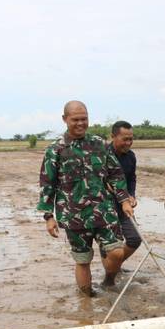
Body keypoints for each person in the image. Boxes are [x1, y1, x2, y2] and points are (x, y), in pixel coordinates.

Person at [37, 100, 134, 296]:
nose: (81, 123)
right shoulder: (55, 150)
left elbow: (116, 174)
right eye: (75, 119)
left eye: (84, 118)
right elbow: (47, 184)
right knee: (83, 261)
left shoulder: (99, 144)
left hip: (104, 212)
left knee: (116, 252)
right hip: (74, 216)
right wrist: (48, 217)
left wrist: (124, 200)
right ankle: (87, 300)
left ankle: (108, 281)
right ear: (65, 119)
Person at [102, 120, 141, 267]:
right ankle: (111, 271)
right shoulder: (101, 155)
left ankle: (115, 266)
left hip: (124, 205)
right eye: (125, 139)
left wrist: (131, 195)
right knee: (110, 245)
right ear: (113, 137)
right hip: (104, 206)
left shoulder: (131, 156)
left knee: (135, 238)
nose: (129, 143)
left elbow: (131, 179)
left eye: (131, 139)